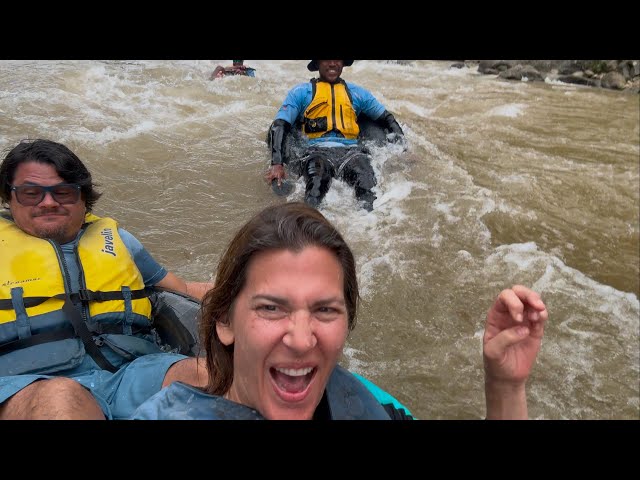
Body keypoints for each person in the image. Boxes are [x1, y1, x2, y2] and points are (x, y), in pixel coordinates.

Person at [131, 202, 548, 420]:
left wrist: (505, 386)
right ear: (224, 321)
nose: (301, 338)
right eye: (272, 308)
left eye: (325, 310)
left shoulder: (361, 406)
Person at [0, 138, 213, 419]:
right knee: (62, 398)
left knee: (207, 374)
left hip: (130, 372)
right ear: (8, 197)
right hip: (27, 382)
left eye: (63, 192)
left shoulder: (120, 242)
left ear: (83, 198)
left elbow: (183, 290)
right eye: (31, 193)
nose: (48, 202)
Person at [264, 60, 406, 212]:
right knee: (316, 187)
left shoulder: (358, 93)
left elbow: (387, 119)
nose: (332, 63)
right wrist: (277, 164)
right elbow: (280, 125)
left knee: (367, 187)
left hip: (353, 152)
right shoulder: (301, 92)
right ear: (317, 63)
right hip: (316, 152)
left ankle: (368, 227)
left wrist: (403, 151)